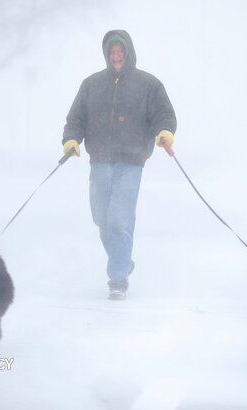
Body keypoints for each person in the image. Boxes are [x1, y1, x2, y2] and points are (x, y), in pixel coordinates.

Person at [62, 30, 177, 300]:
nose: (116, 56)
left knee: (120, 221)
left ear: (128, 52)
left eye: (120, 51)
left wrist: (164, 132)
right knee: (102, 220)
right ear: (107, 54)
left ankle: (118, 279)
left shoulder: (149, 85)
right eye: (112, 52)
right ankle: (123, 261)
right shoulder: (91, 85)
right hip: (100, 161)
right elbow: (76, 118)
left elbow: (164, 114)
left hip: (131, 162)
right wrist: (71, 140)